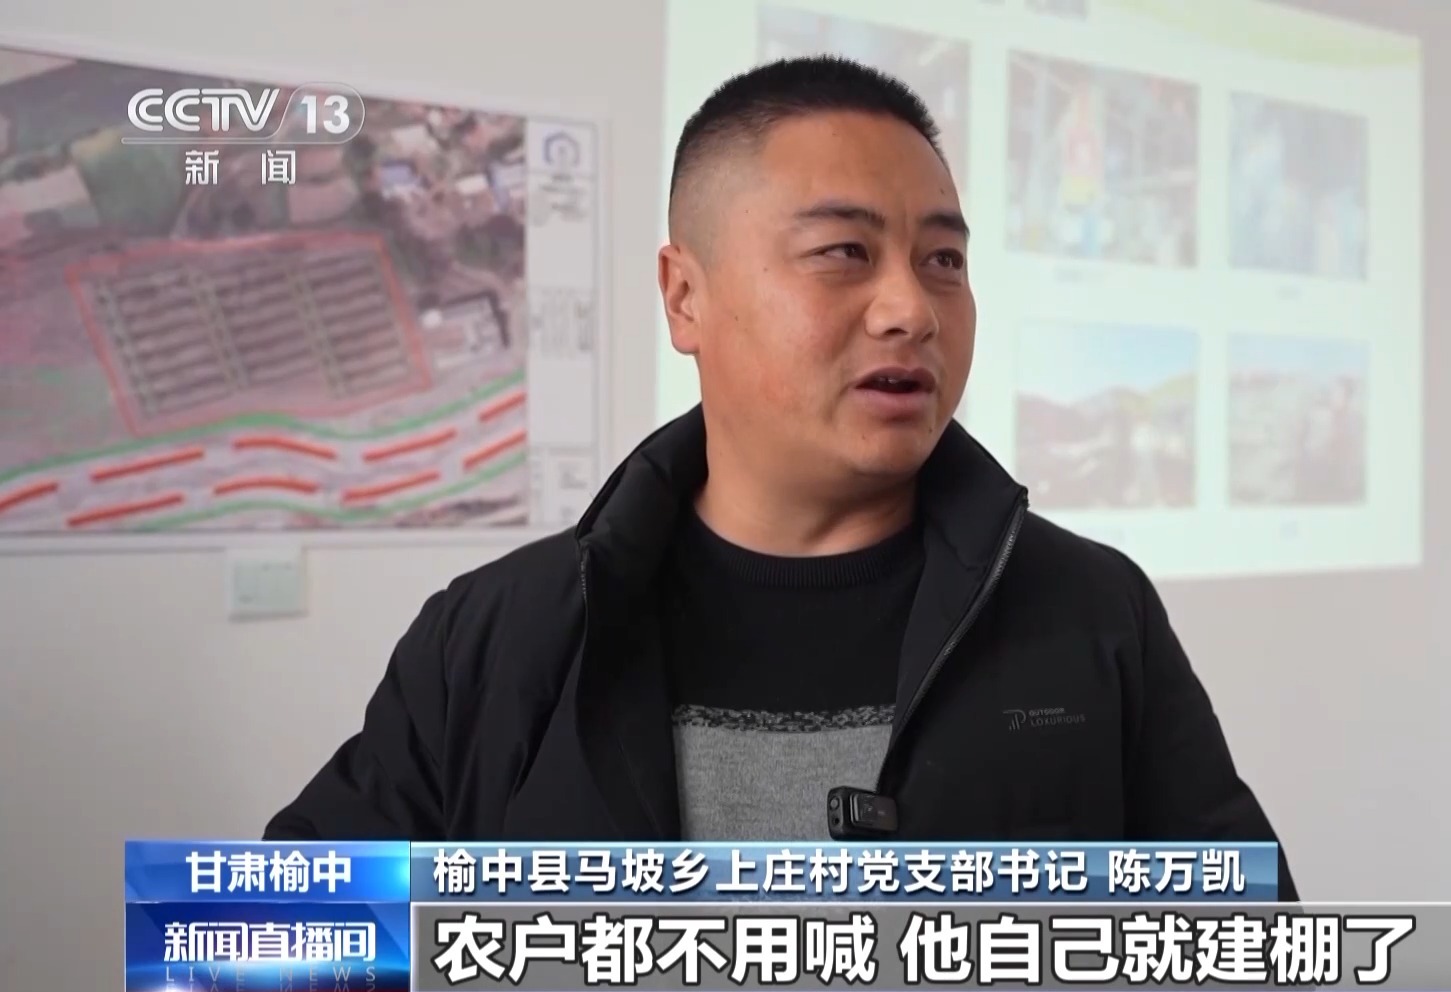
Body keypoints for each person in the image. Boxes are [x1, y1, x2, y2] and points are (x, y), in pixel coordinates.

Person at [265, 56, 1296, 891]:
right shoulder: (495, 638)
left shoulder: (1093, 612)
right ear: (685, 297)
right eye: (844, 251)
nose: (912, 309)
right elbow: (276, 940)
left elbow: (1252, 945)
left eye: (943, 260)